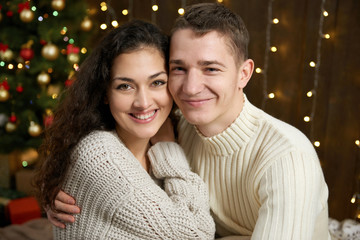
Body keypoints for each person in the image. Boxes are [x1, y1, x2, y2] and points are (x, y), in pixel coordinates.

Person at [47, 3, 330, 240]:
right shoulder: (170, 127)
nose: (191, 88)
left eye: (210, 68)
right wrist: (64, 196)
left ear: (244, 74)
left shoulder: (286, 157)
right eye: (179, 69)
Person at [33, 19, 215, 239]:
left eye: (156, 82)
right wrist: (168, 148)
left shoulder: (169, 136)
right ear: (105, 94)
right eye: (125, 86)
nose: (143, 102)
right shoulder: (100, 152)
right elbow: (198, 235)